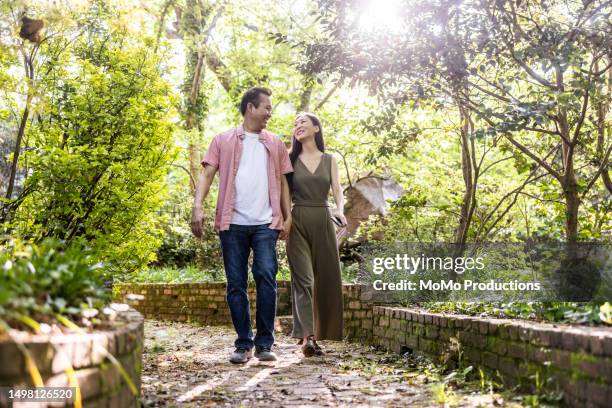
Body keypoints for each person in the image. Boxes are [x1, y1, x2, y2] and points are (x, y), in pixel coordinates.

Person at [191, 87, 293, 364]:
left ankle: (264, 343)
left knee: (266, 277)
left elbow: (284, 182)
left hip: (265, 223)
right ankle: (243, 343)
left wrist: (288, 215)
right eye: (266, 108)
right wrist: (197, 206)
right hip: (232, 223)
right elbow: (207, 173)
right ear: (251, 107)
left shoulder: (274, 143)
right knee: (235, 284)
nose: (269, 113)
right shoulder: (223, 140)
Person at [286, 112, 346, 357]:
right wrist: (284, 218)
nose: (298, 126)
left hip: (323, 219)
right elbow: (284, 194)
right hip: (297, 220)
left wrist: (339, 210)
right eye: (295, 124)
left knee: (325, 280)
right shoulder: (289, 159)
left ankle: (320, 333)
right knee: (304, 280)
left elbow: (338, 190)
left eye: (303, 122)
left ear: (316, 128)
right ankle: (307, 338)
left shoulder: (329, 159)